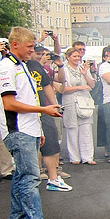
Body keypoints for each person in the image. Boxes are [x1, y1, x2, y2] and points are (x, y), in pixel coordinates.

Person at [0, 27, 63, 219]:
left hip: (28, 129)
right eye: (29, 47)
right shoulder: (6, 67)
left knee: (21, 176)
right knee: (30, 177)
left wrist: (38, 126)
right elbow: (9, 103)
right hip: (18, 130)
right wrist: (43, 111)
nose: (32, 50)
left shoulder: (23, 65)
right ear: (14, 44)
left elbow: (29, 98)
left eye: (33, 46)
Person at [26, 42, 71, 190]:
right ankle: (32, 177)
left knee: (51, 141)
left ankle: (53, 179)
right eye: (35, 52)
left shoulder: (37, 66)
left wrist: (56, 105)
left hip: (43, 109)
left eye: (39, 53)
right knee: (29, 146)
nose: (38, 55)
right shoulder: (15, 66)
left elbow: (47, 86)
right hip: (25, 112)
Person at [59, 46, 97, 165]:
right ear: (68, 57)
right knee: (72, 128)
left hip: (84, 101)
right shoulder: (64, 69)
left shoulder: (83, 68)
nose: (77, 58)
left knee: (86, 128)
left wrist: (86, 74)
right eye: (74, 56)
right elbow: (62, 89)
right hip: (70, 100)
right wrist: (79, 87)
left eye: (79, 56)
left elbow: (92, 85)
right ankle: (74, 157)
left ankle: (88, 156)